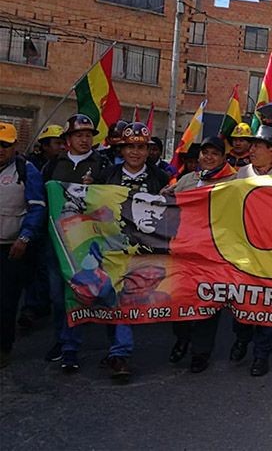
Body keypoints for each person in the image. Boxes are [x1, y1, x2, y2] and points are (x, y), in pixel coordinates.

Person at [99, 122, 170, 379]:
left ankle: (121, 353)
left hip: (144, 249)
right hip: (111, 246)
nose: (135, 152)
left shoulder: (161, 178)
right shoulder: (106, 175)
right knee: (110, 297)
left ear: (148, 151)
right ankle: (115, 350)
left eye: (141, 147)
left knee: (126, 297)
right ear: (121, 149)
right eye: (130, 147)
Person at [42, 114, 111, 373]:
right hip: (56, 241)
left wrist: (97, 189)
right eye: (79, 135)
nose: (84, 140)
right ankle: (60, 339)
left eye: (88, 135)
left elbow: (111, 202)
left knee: (79, 292)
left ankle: (71, 346)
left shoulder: (102, 165)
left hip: (86, 242)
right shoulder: (53, 164)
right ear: (67, 140)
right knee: (57, 296)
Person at [167, 136, 238, 374]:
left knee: (209, 302)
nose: (209, 157)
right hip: (184, 250)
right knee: (180, 298)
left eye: (214, 154)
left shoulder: (233, 181)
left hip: (213, 251)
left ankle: (200, 352)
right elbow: (169, 203)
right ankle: (182, 338)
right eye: (205, 153)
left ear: (223, 158)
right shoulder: (187, 179)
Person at [231, 125, 272, 377]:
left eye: (257, 146)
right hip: (245, 249)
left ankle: (261, 354)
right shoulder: (242, 173)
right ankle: (241, 338)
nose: (252, 150)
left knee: (269, 304)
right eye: (252, 145)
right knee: (243, 300)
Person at [0, 122, 46, 368]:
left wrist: (25, 237)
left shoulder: (26, 171)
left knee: (6, 301)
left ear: (15, 146)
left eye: (5, 145)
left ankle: (3, 348)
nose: (0, 149)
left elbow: (37, 208)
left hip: (12, 248)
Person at [19, 124, 65, 328]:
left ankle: (41, 304)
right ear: (44, 146)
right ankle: (32, 306)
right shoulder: (28, 166)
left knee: (46, 268)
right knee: (33, 268)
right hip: (32, 223)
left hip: (55, 225)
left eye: (63, 143)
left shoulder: (63, 165)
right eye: (57, 143)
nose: (61, 147)